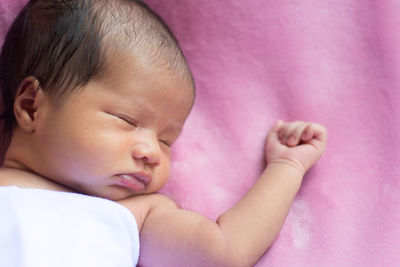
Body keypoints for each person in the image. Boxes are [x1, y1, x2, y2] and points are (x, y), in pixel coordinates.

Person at [0, 0, 327, 266]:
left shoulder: (137, 215)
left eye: (167, 141)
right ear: (31, 106)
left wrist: (287, 167)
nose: (153, 153)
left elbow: (224, 251)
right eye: (127, 120)